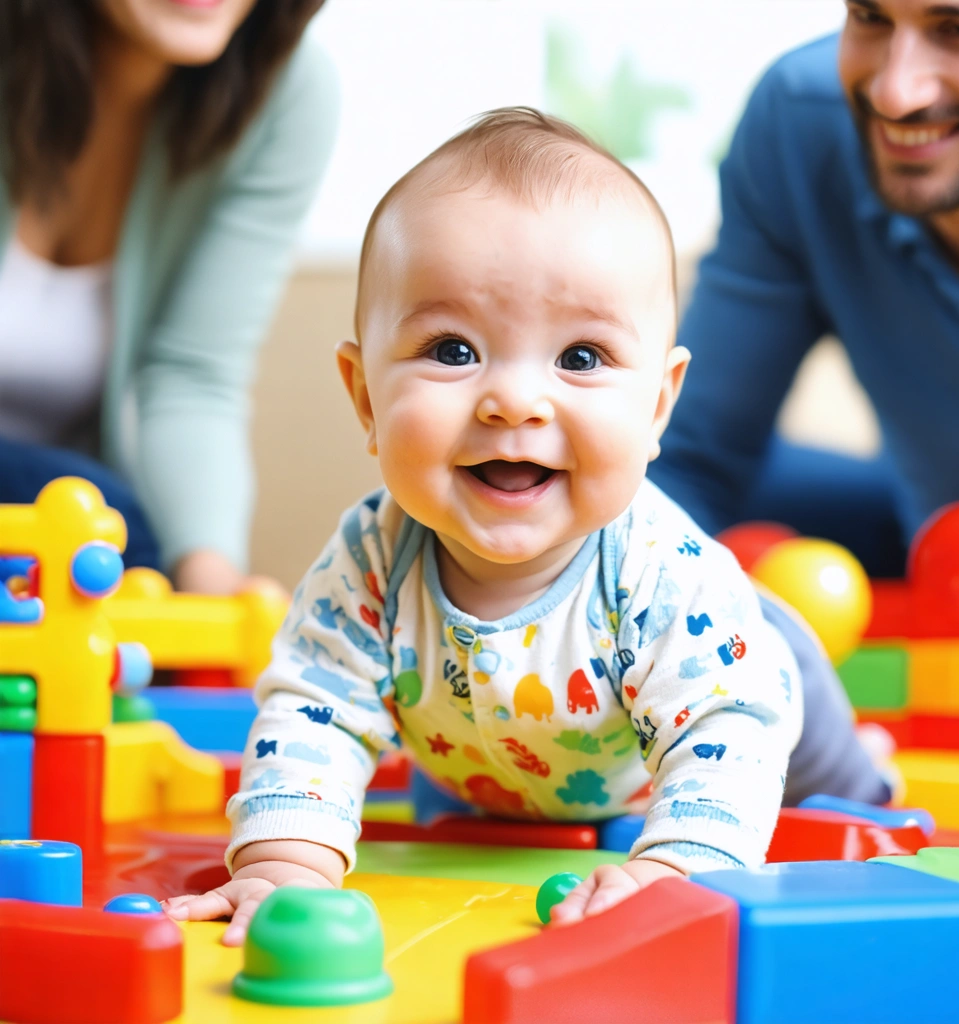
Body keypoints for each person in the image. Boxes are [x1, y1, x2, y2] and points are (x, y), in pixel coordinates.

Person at [163, 108, 891, 943]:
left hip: (747, 683)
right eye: (452, 349)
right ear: (365, 397)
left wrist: (677, 868)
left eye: (580, 358)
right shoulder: (369, 563)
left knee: (831, 785)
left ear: (657, 406)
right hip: (498, 772)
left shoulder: (664, 573)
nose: (513, 399)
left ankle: (865, 773)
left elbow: (727, 730)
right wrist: (283, 867)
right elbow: (314, 707)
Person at [650, 0, 959, 579]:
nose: (895, 94)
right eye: (870, 18)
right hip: (934, 557)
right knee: (602, 480)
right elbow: (690, 459)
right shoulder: (799, 122)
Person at [0, 0, 337, 591]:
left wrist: (209, 588)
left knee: (122, 539)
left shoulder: (285, 91)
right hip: (67, 508)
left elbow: (192, 374)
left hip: (70, 529)